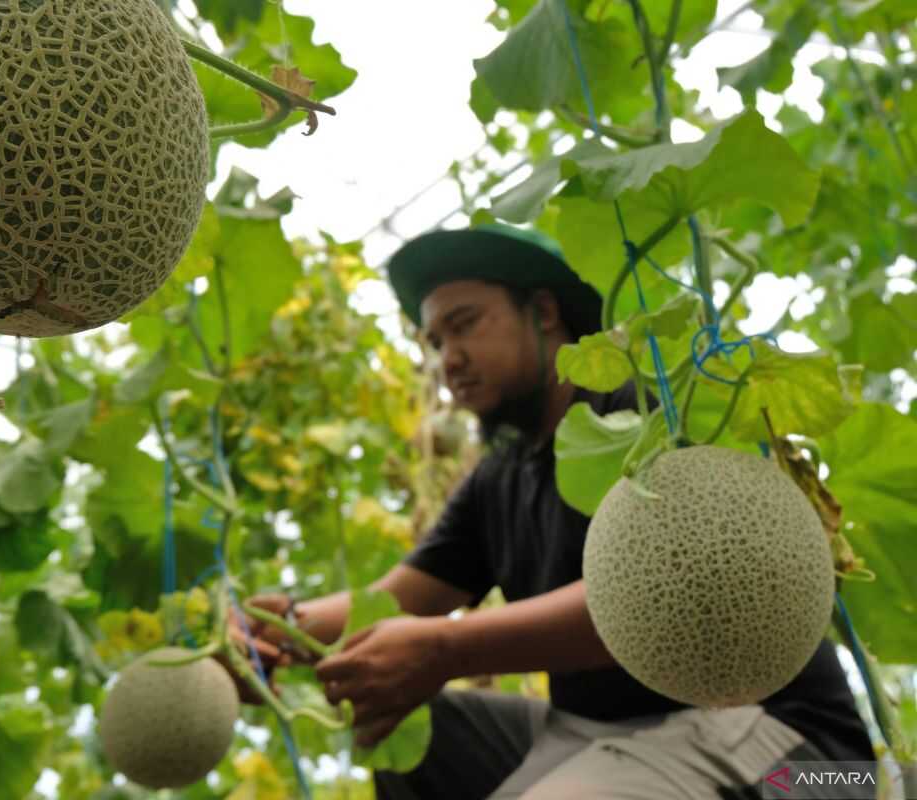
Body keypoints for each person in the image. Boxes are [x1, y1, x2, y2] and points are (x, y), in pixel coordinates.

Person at [232, 223, 875, 799]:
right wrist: (275, 630)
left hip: (795, 754)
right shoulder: (497, 481)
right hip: (597, 735)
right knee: (421, 740)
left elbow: (671, 602)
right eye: (433, 339)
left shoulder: (649, 412)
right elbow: (395, 600)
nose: (446, 359)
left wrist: (447, 648)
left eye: (464, 324)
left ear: (542, 312)